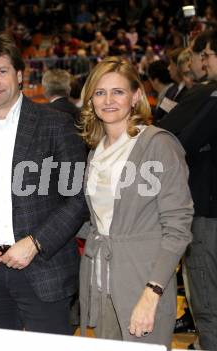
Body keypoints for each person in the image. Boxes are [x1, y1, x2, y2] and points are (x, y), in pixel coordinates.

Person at [0, 33, 87, 335]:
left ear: (19, 75)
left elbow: (78, 197)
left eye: (2, 71)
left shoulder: (55, 124)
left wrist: (36, 243)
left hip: (44, 269)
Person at [77, 56, 193, 348]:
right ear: (90, 100)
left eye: (118, 91)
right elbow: (99, 220)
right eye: (100, 93)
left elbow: (178, 227)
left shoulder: (158, 144)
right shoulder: (96, 151)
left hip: (143, 281)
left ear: (136, 96)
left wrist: (151, 293)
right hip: (103, 281)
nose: (108, 100)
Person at [177, 29, 217, 350]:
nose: (205, 62)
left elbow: (180, 141)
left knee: (208, 301)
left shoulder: (208, 95)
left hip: (209, 213)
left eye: (208, 56)